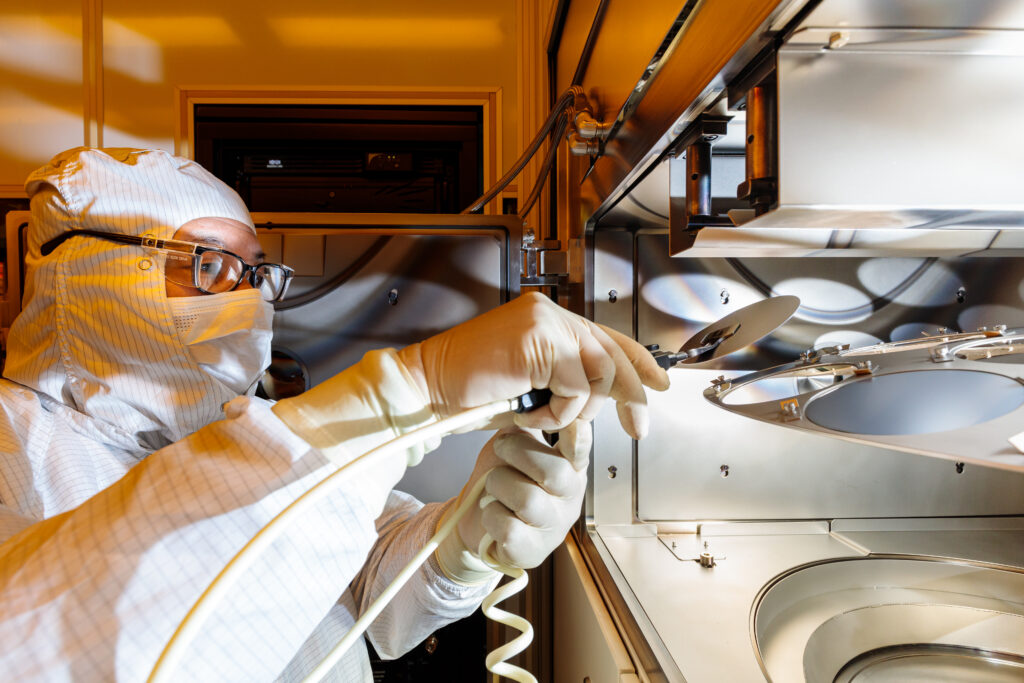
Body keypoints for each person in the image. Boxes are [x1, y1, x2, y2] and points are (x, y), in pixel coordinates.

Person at [0, 148, 668, 681]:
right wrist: (411, 388)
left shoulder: (237, 420)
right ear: (90, 272)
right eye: (208, 265)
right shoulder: (13, 446)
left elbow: (373, 583)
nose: (246, 300)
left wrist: (462, 540)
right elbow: (46, 639)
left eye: (256, 273)